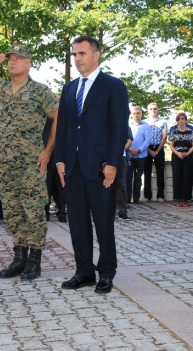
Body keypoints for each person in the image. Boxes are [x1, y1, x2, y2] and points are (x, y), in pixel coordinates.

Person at [0, 44, 58, 281]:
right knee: (12, 211)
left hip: (31, 162)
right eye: (10, 58)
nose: (12, 62)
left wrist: (48, 149)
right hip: (5, 162)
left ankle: (34, 261)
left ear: (28, 63)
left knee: (33, 212)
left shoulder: (40, 91)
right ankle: (19, 258)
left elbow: (58, 116)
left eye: (18, 59)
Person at [55, 35, 129, 294]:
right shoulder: (69, 88)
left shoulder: (113, 86)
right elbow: (63, 127)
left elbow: (119, 128)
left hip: (100, 168)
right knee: (77, 223)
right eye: (75, 55)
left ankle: (106, 272)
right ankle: (84, 271)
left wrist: (112, 163)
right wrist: (60, 160)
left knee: (103, 222)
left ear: (96, 55)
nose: (77, 59)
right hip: (73, 167)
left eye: (82, 54)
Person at [43, 116, 67, 223]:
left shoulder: (61, 119)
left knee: (60, 187)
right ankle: (45, 212)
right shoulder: (43, 118)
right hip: (46, 156)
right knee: (46, 186)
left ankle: (62, 213)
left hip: (59, 156)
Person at [169, 112, 193, 207]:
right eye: (179, 119)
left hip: (188, 156)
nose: (181, 120)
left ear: (186, 120)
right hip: (177, 156)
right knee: (177, 177)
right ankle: (179, 198)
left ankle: (186, 199)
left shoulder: (191, 131)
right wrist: (178, 153)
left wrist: (187, 153)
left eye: (183, 118)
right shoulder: (174, 131)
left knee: (187, 177)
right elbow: (171, 145)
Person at [142, 103, 167, 203]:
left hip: (159, 147)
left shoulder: (163, 121)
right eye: (151, 109)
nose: (153, 110)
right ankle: (147, 196)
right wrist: (148, 150)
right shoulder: (144, 122)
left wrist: (157, 150)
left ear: (158, 110)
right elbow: (143, 137)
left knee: (160, 172)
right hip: (147, 148)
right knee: (147, 172)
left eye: (155, 108)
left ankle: (160, 196)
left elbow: (164, 136)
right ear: (147, 110)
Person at [127, 106, 151, 204]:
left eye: (138, 113)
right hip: (129, 155)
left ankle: (136, 198)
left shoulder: (146, 125)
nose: (136, 115)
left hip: (141, 156)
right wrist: (129, 150)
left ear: (141, 114)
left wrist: (139, 150)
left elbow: (148, 139)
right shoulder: (127, 124)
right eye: (134, 113)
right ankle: (127, 199)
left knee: (138, 177)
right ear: (131, 114)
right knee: (128, 178)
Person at [115, 130, 133, 220]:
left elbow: (129, 140)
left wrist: (119, 151)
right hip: (104, 156)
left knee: (121, 184)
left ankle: (122, 211)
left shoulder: (124, 124)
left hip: (121, 157)